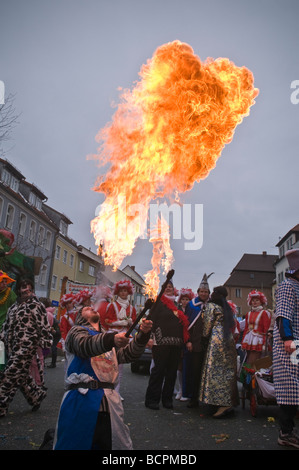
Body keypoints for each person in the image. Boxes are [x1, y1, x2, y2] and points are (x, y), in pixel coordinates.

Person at [53, 305, 152, 450]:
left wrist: (142, 336)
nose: (92, 307)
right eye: (86, 308)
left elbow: (128, 354)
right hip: (81, 401)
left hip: (109, 403)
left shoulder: (108, 337)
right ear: (80, 316)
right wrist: (111, 340)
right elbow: (85, 345)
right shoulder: (76, 332)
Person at [0, 278, 52, 417]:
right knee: (21, 376)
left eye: (29, 288)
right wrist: (2, 337)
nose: (26, 291)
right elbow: (6, 325)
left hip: (26, 347)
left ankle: (1, 406)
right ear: (19, 290)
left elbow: (44, 325)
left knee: (8, 375)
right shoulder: (14, 307)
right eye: (23, 288)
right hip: (12, 346)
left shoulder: (36, 305)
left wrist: (46, 343)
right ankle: (36, 396)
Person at [145, 281, 189, 410]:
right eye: (166, 287)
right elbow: (150, 320)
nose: (168, 289)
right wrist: (150, 338)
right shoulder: (158, 303)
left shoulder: (177, 305)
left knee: (171, 373)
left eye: (170, 287)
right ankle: (152, 400)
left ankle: (167, 399)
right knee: (158, 371)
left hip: (176, 343)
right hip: (161, 342)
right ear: (162, 289)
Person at [199, 285, 238, 418]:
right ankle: (228, 401)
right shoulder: (227, 307)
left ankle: (217, 402)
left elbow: (207, 326)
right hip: (228, 340)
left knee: (214, 370)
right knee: (227, 371)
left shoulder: (211, 306)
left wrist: (203, 339)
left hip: (216, 340)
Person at [273, 249, 299, 448]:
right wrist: (287, 339)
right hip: (290, 345)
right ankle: (286, 432)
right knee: (291, 388)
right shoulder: (287, 286)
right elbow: (283, 315)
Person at [102, 280, 136, 399]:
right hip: (113, 336)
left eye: (125, 291)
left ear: (128, 292)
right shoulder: (112, 305)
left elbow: (134, 323)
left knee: (120, 365)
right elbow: (106, 321)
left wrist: (131, 322)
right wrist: (120, 322)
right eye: (121, 291)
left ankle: (116, 391)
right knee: (109, 364)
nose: (123, 293)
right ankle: (107, 390)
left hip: (125, 337)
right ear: (117, 292)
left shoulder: (131, 308)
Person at [185, 273, 212, 408]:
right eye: (201, 291)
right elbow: (186, 324)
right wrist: (188, 341)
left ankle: (206, 399)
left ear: (209, 293)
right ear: (198, 292)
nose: (203, 293)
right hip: (195, 344)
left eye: (206, 291)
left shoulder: (212, 306)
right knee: (194, 372)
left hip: (208, 345)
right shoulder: (191, 305)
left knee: (207, 373)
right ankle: (193, 398)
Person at [174, 288, 195, 401]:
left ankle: (186, 390)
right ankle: (180, 389)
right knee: (179, 367)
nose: (185, 301)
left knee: (188, 367)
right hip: (178, 341)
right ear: (180, 300)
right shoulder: (177, 311)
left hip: (188, 342)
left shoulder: (193, 311)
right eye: (183, 299)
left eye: (187, 299)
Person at [242, 290, 271, 365]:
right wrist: (243, 341)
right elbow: (246, 328)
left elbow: (266, 329)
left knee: (254, 361)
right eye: (253, 300)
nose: (254, 302)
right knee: (248, 360)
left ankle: (253, 375)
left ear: (261, 302)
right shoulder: (248, 314)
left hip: (258, 339)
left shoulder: (264, 313)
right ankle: (249, 376)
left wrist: (265, 343)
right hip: (248, 339)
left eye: (257, 300)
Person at [0, 271, 16, 372]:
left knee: (1, 353)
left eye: (6, 281)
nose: (5, 283)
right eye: (2, 281)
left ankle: (1, 372)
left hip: (3, 328)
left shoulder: (10, 294)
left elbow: (15, 310)